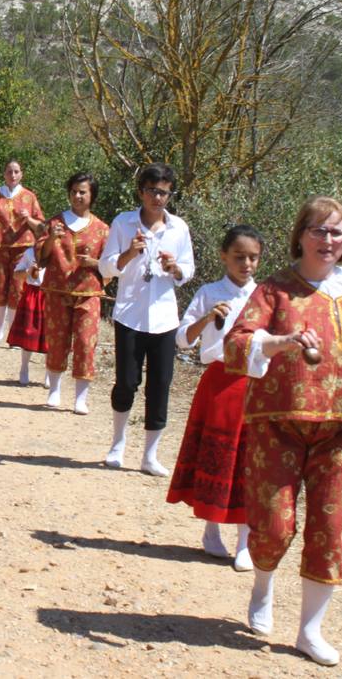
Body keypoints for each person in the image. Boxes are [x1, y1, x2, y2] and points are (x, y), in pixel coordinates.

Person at [225, 196, 342, 666]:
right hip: (278, 423)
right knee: (273, 525)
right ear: (301, 235)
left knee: (330, 530)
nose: (329, 241)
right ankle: (263, 586)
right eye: (320, 231)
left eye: (337, 232)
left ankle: (309, 630)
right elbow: (236, 344)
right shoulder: (276, 289)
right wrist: (281, 342)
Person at [165, 225, 264, 572]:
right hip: (220, 384)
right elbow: (182, 339)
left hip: (254, 387)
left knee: (249, 463)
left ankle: (245, 542)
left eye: (253, 257)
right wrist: (208, 318)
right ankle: (211, 531)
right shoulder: (209, 293)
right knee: (218, 459)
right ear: (224, 256)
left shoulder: (266, 297)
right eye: (239, 257)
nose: (246, 264)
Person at [99, 163, 195, 476]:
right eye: (152, 190)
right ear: (141, 191)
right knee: (126, 382)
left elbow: (188, 270)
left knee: (160, 385)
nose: (158, 197)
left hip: (165, 318)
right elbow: (106, 267)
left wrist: (175, 268)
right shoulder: (124, 223)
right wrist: (128, 254)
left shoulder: (178, 228)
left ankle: (150, 456)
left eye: (164, 192)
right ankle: (117, 443)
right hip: (129, 313)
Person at [40, 172, 111, 414]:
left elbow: (110, 265)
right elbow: (41, 257)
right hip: (57, 291)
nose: (78, 196)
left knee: (84, 342)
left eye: (83, 192)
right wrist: (51, 239)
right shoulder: (55, 223)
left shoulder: (102, 229)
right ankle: (54, 390)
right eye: (74, 191)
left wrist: (94, 263)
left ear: (92, 196)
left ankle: (81, 397)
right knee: (57, 339)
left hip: (88, 293)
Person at [0, 160, 45, 347]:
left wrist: (27, 218)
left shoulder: (29, 197)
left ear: (21, 174)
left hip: (22, 249)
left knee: (17, 290)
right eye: (9, 172)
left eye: (16, 172)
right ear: (4, 174)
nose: (12, 175)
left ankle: (13, 335)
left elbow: (41, 226)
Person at [6, 242, 48, 386]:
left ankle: (49, 373)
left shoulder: (59, 252)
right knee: (28, 333)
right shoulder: (30, 253)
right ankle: (24, 368)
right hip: (34, 293)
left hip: (52, 295)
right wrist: (29, 271)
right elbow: (17, 274)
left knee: (51, 335)